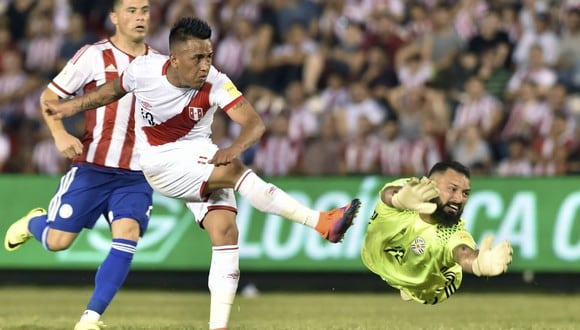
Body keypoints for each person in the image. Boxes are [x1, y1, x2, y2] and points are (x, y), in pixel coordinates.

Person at [44, 16, 361, 330]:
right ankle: (321, 222)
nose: (204, 65)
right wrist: (71, 108)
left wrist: (234, 147)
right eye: (197, 58)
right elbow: (109, 92)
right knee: (234, 172)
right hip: (159, 162)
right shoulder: (143, 71)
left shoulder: (217, 82)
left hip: (200, 154)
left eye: (209, 56)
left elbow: (254, 123)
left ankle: (217, 326)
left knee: (225, 232)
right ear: (174, 59)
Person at [4, 1, 154, 329]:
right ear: (114, 17)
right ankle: (34, 223)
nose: (140, 16)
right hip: (92, 167)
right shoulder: (93, 55)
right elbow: (48, 97)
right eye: (131, 10)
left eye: (144, 9)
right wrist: (59, 135)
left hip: (136, 174)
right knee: (58, 242)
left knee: (127, 233)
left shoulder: (160, 64)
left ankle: (90, 318)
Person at [361, 160, 512, 305]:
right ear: (430, 184)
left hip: (427, 288)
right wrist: (398, 200)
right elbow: (388, 193)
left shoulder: (452, 234)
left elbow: (463, 253)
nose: (459, 199)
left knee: (434, 281)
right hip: (374, 257)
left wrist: (478, 263)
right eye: (452, 189)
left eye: (465, 193)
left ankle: (410, 286)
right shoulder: (408, 190)